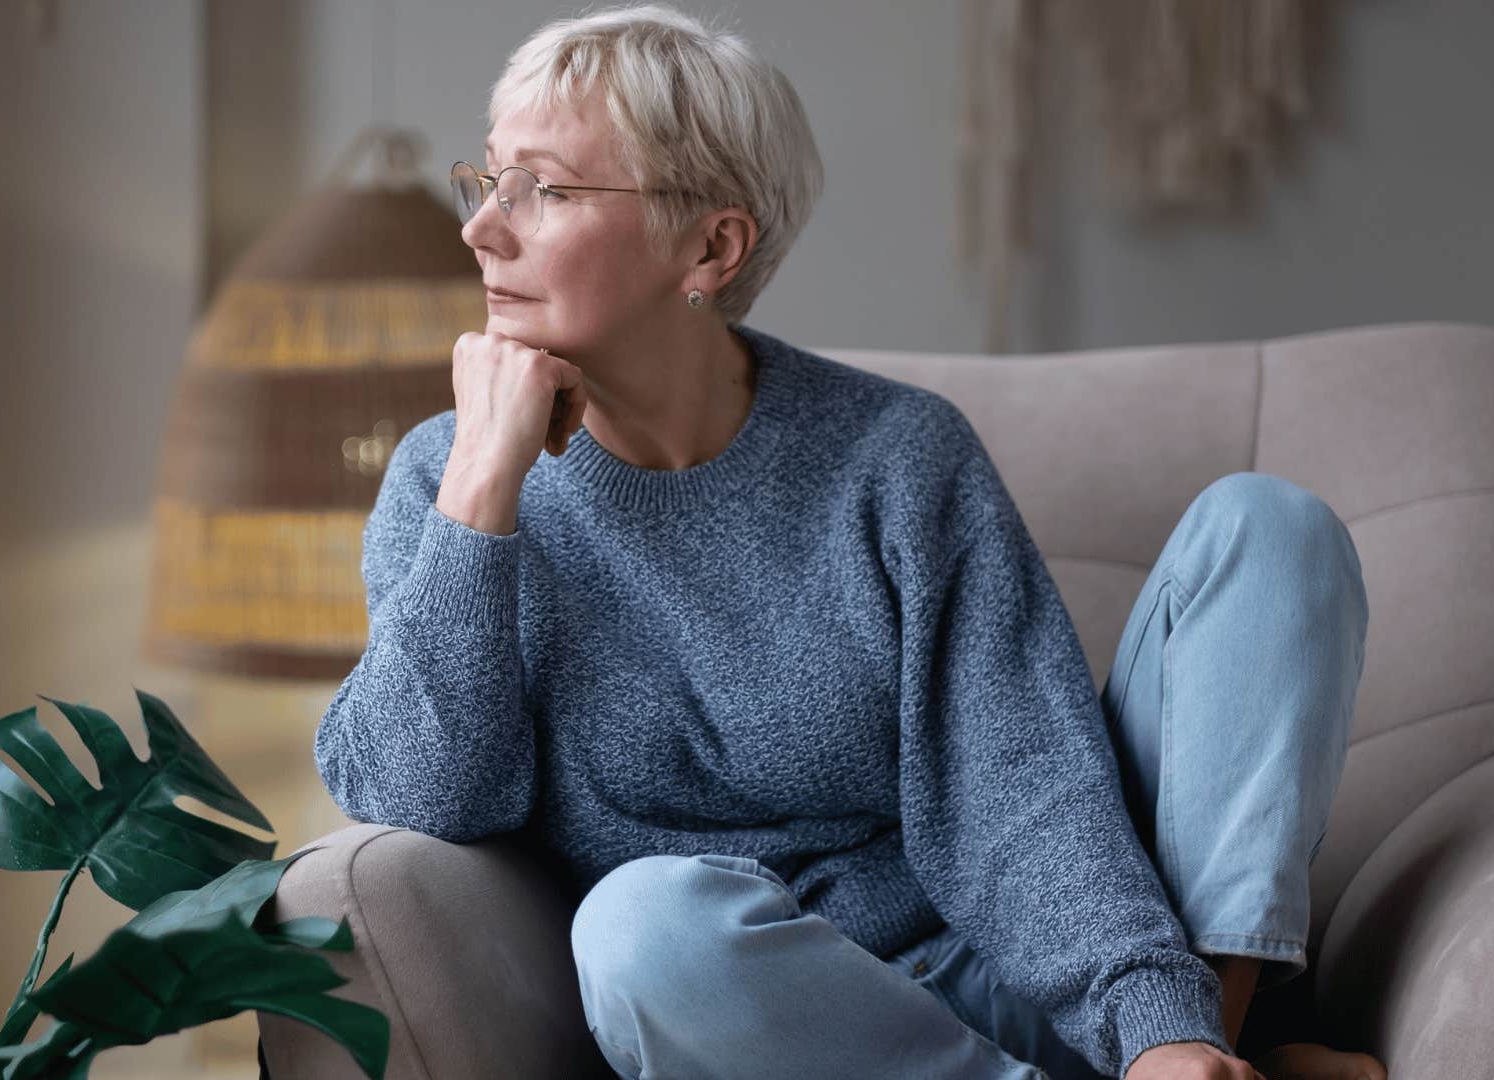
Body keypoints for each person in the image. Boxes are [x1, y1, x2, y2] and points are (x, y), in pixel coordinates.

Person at [313, 6, 1385, 1079]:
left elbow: (1017, 778)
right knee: (638, 926)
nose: (481, 229)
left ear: (711, 245)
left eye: (541, 189)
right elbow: (424, 803)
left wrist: (1158, 1021)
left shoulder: (894, 456)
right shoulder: (451, 482)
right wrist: (481, 489)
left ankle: (1197, 1049)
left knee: (1268, 532)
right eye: (487, 180)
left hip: (1002, 973)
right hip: (774, 1022)